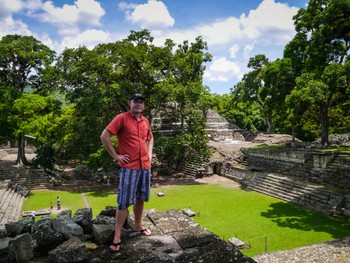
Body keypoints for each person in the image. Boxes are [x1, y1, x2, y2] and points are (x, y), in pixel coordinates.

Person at [100, 93, 154, 253]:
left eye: (141, 102)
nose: (138, 104)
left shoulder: (145, 121)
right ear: (129, 103)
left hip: (144, 166)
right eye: (135, 101)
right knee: (123, 202)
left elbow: (151, 138)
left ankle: (137, 226)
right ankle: (117, 237)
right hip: (129, 167)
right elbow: (104, 136)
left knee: (140, 198)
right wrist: (116, 155)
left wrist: (150, 153)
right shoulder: (122, 118)